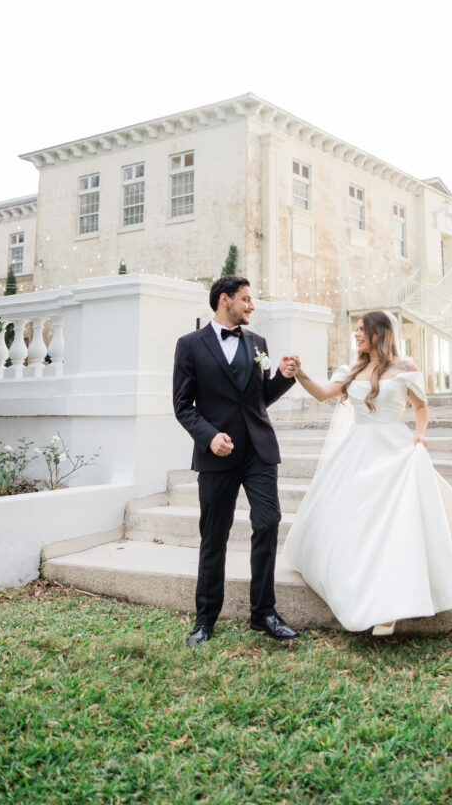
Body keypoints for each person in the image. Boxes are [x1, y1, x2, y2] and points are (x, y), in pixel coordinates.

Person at [282, 310, 452, 635]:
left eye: (362, 329)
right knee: (358, 519)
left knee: (393, 522)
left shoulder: (405, 367)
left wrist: (420, 435)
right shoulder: (353, 370)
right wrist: (301, 373)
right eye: (356, 329)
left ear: (379, 333)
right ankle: (360, 585)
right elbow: (323, 394)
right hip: (357, 452)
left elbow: (420, 406)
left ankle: (392, 599)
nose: (356, 334)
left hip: (394, 449)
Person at [173, 275, 300, 646]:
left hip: (258, 451)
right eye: (246, 299)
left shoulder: (257, 342)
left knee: (268, 521)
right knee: (214, 536)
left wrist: (282, 377)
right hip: (217, 454)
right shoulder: (189, 345)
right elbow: (182, 405)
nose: (251, 305)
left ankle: (263, 613)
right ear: (225, 299)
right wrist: (209, 437)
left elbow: (259, 398)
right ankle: (205, 619)